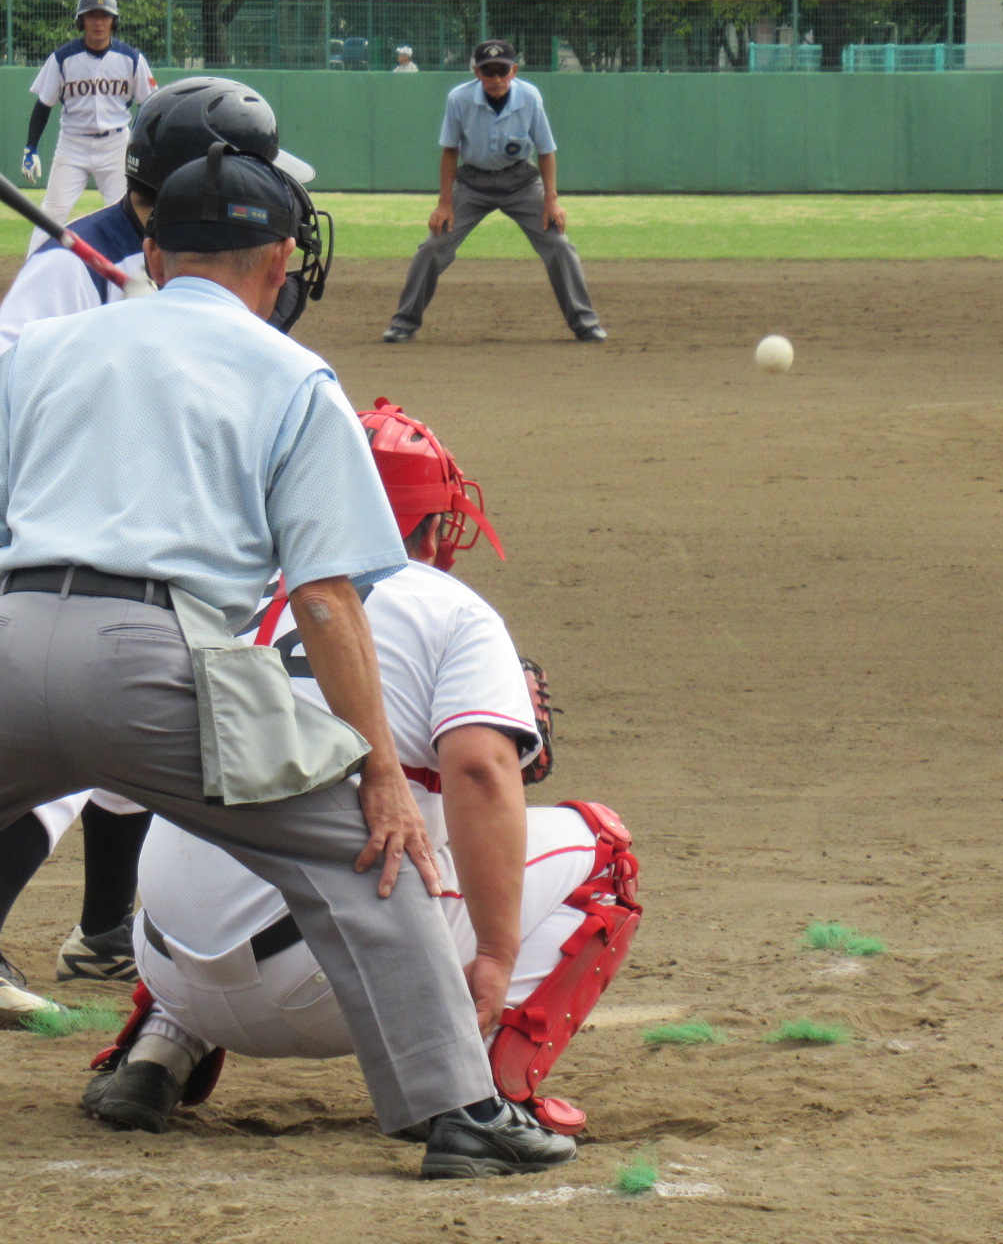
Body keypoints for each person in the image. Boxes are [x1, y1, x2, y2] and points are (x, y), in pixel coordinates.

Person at [0, 146, 576, 1182]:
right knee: (357, 857)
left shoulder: (44, 349)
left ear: (152, 250)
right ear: (278, 261)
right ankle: (459, 1112)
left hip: (6, 647)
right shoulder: (294, 375)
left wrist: (45, 642)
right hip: (160, 664)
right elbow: (327, 598)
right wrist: (378, 771)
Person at [80, 399, 640, 1154]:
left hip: (164, 953)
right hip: (335, 981)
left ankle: (156, 1046)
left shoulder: (224, 589)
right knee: (602, 851)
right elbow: (480, 771)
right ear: (432, 523)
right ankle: (473, 1095)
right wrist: (497, 954)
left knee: (228, 816)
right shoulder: (448, 608)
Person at [0, 78, 321, 1021]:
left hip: (92, 529)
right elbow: (10, 405)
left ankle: (100, 933)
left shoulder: (193, 268)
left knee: (120, 718)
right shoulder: (71, 267)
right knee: (65, 723)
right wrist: (118, 328)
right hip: (0, 531)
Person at [384, 39, 604, 344]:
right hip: (473, 183)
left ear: (514, 71)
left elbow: (546, 150)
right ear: (477, 72)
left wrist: (551, 200)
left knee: (559, 244)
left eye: (503, 70)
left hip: (521, 182)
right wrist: (444, 204)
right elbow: (450, 151)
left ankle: (585, 323)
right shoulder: (459, 99)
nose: (496, 78)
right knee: (434, 246)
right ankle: (403, 323)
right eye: (489, 71)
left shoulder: (529, 97)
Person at [22, 0, 156, 247]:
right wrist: (31, 147)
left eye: (104, 16)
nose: (98, 22)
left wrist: (143, 146)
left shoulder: (131, 58)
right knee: (52, 212)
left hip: (116, 144)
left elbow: (149, 105)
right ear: (81, 21)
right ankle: (33, 266)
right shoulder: (63, 58)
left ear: (113, 21)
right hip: (73, 144)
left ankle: (136, 269)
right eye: (91, 16)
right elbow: (43, 105)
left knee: (127, 213)